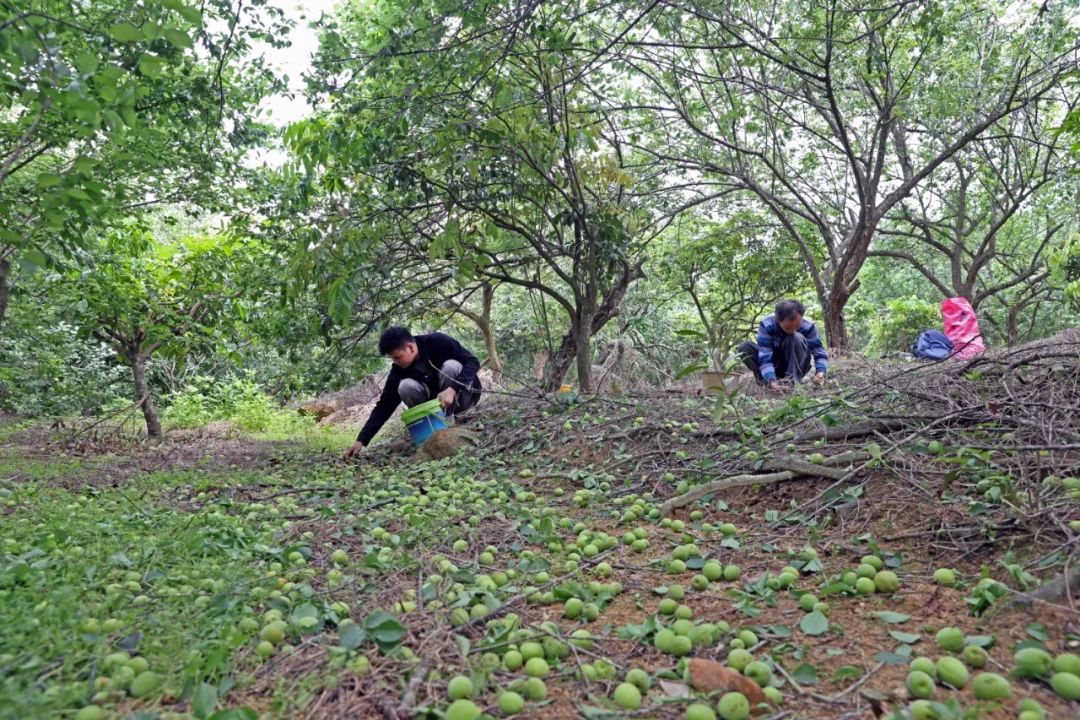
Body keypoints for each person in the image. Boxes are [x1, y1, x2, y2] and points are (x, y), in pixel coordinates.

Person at [343, 326, 482, 460]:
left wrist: (452, 389)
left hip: (465, 399)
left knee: (451, 366)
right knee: (405, 386)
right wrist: (361, 440)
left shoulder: (437, 342)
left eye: (397, 357)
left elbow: (473, 361)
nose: (395, 362)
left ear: (410, 347)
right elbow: (384, 406)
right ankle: (434, 430)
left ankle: (453, 424)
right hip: (436, 410)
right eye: (392, 359)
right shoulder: (398, 370)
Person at [737, 300, 828, 393]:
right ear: (778, 320)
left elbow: (819, 352)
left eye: (797, 326)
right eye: (789, 328)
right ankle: (768, 383)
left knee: (795, 337)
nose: (793, 330)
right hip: (774, 363)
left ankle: (790, 382)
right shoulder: (767, 325)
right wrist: (771, 379)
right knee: (744, 347)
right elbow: (765, 357)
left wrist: (820, 372)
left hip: (797, 363)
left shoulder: (808, 326)